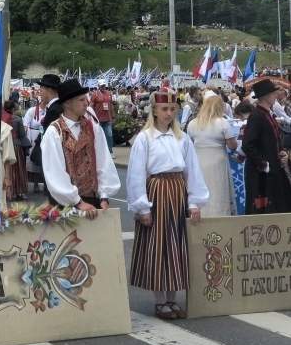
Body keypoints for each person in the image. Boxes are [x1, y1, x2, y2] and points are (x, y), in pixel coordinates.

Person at [127, 90, 208, 320]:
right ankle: (160, 301)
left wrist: (194, 202)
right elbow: (136, 174)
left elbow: (192, 170)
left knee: (177, 247)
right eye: (164, 109)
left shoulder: (181, 138)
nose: (169, 113)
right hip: (157, 192)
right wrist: (143, 207)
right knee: (158, 247)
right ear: (154, 110)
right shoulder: (145, 138)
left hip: (177, 192)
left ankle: (172, 299)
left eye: (173, 109)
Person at [41, 79, 120, 216]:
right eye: (81, 100)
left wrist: (104, 196)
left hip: (93, 201)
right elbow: (55, 172)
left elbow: (103, 161)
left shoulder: (93, 127)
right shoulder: (54, 132)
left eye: (86, 99)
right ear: (67, 103)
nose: (86, 103)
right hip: (65, 205)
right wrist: (77, 202)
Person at [242, 78, 291, 214]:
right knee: (263, 212)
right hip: (261, 175)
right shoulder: (257, 116)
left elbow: (273, 139)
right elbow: (247, 145)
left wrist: (282, 153)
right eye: (274, 93)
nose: (276, 96)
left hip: (273, 171)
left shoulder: (267, 114)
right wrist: (264, 164)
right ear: (267, 96)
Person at [187, 91, 238, 217]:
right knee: (218, 191)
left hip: (199, 161)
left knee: (201, 189)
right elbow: (233, 145)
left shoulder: (193, 123)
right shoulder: (222, 123)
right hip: (218, 162)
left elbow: (189, 144)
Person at [3, 100, 30, 201]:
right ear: (13, 109)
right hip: (16, 146)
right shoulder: (18, 119)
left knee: (8, 170)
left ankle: (9, 192)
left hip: (5, 146)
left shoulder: (2, 119)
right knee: (19, 170)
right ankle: (19, 192)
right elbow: (22, 135)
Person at [22, 94, 45, 192]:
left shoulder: (49, 111)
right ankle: (35, 183)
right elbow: (26, 125)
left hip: (44, 136)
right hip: (33, 136)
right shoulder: (32, 111)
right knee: (34, 161)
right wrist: (29, 139)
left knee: (44, 161)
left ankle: (45, 185)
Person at [90, 80, 115, 152]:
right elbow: (91, 106)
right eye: (101, 85)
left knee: (109, 135)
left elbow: (111, 105)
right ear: (99, 86)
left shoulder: (109, 93)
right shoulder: (95, 94)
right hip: (98, 119)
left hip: (107, 118)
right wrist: (92, 116)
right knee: (98, 136)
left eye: (104, 85)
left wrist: (113, 116)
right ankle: (99, 151)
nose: (103, 87)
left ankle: (110, 151)